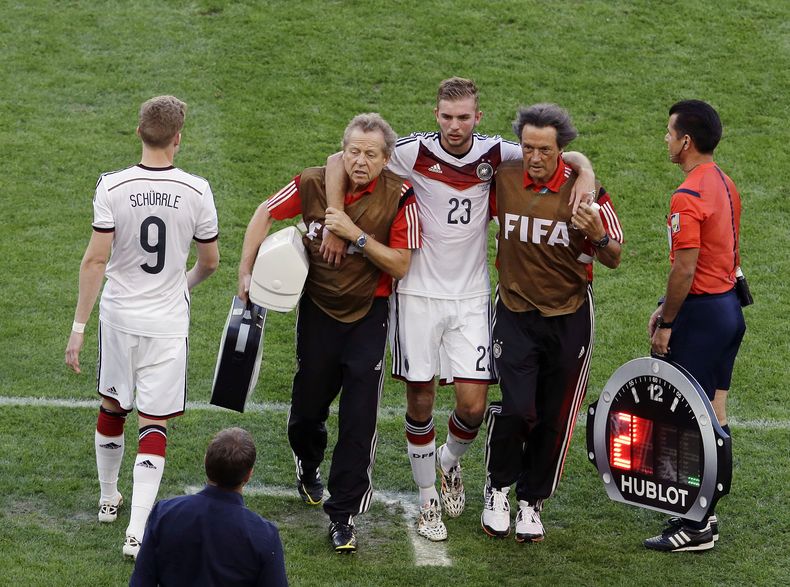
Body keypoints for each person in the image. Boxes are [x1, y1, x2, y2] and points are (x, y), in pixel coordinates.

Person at [321, 78, 596, 541]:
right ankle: (428, 500)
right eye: (446, 117)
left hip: (471, 297)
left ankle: (448, 461)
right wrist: (335, 221)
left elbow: (559, 155)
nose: (454, 126)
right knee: (421, 399)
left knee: (472, 405)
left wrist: (584, 173)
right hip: (417, 295)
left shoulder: (497, 153)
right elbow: (334, 160)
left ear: (477, 117)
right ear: (436, 115)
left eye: (463, 117)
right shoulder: (410, 152)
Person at [238, 113, 421, 553]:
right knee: (307, 408)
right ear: (343, 151)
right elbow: (264, 211)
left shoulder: (401, 196)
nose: (361, 161)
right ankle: (307, 462)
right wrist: (245, 273)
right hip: (319, 311)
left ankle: (343, 515)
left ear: (387, 158)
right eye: (354, 151)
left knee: (360, 420)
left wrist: (355, 236)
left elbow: (400, 264)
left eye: (371, 154)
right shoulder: (313, 182)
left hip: (369, 315)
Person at [65, 95, 220, 559]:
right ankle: (136, 533)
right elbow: (210, 262)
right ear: (178, 138)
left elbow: (95, 259)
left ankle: (107, 498)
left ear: (139, 132)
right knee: (154, 420)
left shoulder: (111, 186)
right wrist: (183, 284)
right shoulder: (197, 190)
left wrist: (77, 328)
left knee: (113, 404)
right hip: (167, 324)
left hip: (118, 317)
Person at [481, 103, 623, 543]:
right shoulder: (503, 179)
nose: (535, 157)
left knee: (553, 416)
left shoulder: (589, 193)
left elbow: (615, 255)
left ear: (562, 150)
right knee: (518, 406)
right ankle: (498, 488)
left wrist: (595, 232)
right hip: (516, 313)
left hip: (569, 316)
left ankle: (531, 501)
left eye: (545, 149)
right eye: (528, 148)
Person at [644, 99, 746, 552]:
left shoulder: (686, 196)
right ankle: (708, 515)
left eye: (669, 132)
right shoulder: (725, 183)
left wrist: (668, 320)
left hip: (701, 316)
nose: (665, 139)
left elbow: (685, 269)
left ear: (686, 141)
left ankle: (696, 523)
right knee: (715, 416)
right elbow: (725, 254)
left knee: (686, 423)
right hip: (728, 312)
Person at [129, 428, 287, 586]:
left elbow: (141, 582)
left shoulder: (164, 513)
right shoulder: (263, 534)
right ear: (249, 475)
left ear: (205, 461)